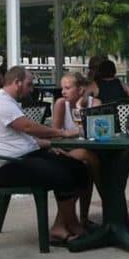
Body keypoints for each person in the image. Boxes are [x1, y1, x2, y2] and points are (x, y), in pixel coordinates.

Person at [0, 66, 88, 245]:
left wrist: (50, 146)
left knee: (77, 168)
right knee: (62, 174)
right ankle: (69, 225)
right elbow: (27, 127)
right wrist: (61, 133)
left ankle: (63, 225)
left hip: (22, 158)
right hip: (6, 167)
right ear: (16, 83)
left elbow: (21, 138)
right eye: (29, 84)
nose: (31, 89)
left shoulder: (10, 101)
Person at [50, 72, 101, 225]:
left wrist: (80, 108)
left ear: (80, 90)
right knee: (87, 165)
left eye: (67, 88)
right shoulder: (61, 104)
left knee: (88, 165)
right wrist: (71, 134)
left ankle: (82, 217)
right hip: (67, 151)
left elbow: (96, 131)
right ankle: (104, 196)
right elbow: (55, 134)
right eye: (62, 88)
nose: (63, 92)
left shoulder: (95, 103)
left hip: (93, 150)